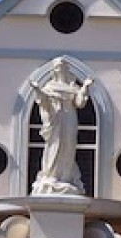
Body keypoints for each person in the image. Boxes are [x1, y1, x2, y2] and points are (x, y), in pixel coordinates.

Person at [29, 58, 93, 195]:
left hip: (69, 117)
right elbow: (44, 103)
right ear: (54, 70)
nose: (61, 69)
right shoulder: (50, 87)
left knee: (69, 145)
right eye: (58, 67)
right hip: (55, 119)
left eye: (63, 66)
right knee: (54, 145)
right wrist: (37, 89)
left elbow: (80, 103)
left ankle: (66, 177)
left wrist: (85, 87)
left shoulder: (72, 86)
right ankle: (51, 176)